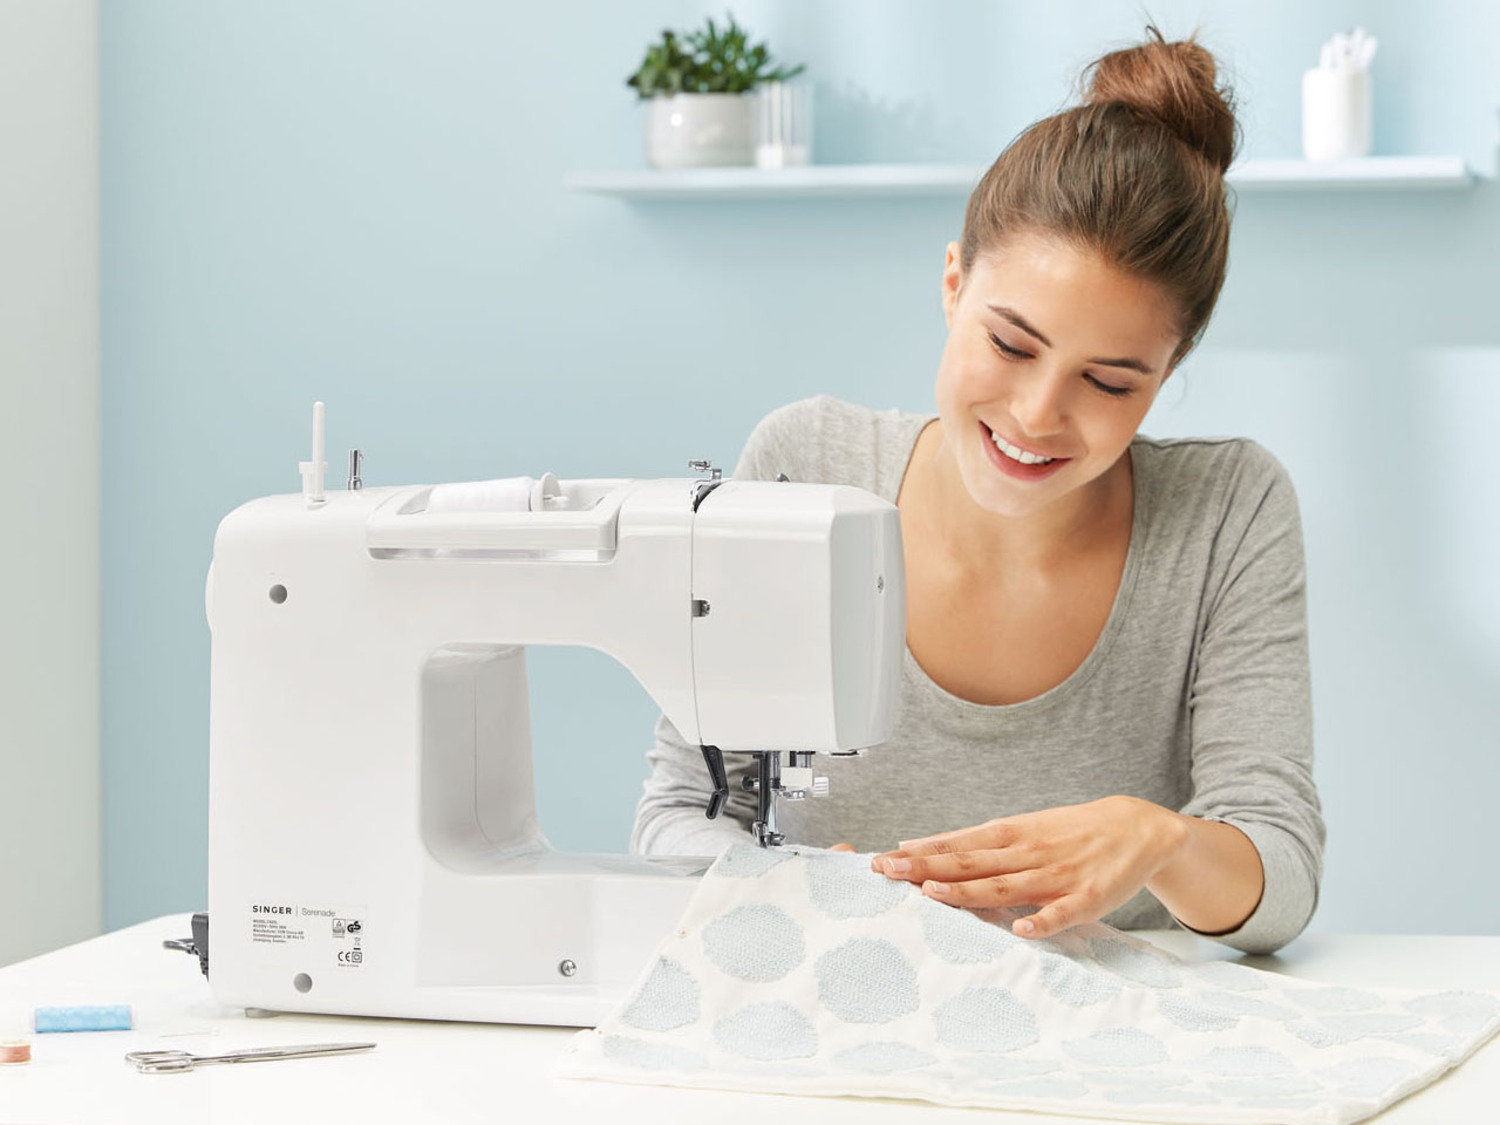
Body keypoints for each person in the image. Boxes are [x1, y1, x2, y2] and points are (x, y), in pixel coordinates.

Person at [631, 27, 1324, 957]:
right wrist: (798, 890)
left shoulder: (1229, 509)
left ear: (1169, 368)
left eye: (1108, 381)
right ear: (954, 283)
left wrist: (1158, 838)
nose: (1038, 415)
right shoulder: (804, 465)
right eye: (1010, 344)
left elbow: (1280, 873)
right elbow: (680, 813)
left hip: (1104, 1025)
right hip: (830, 994)